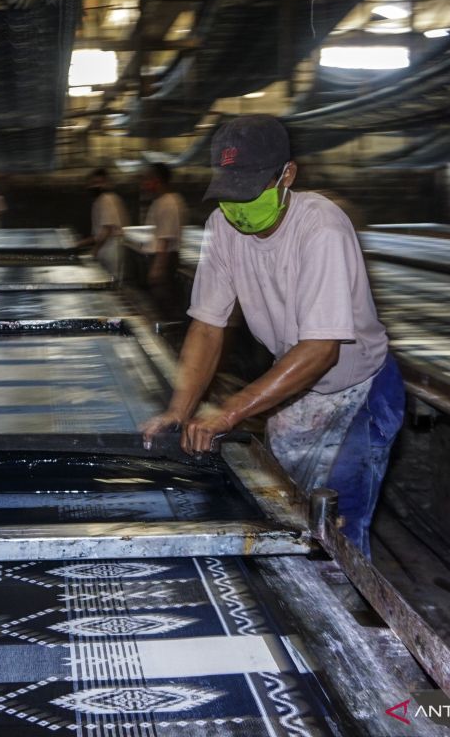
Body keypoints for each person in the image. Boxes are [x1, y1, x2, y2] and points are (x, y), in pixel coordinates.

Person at [141, 115, 403, 557]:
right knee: (282, 509)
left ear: (288, 175)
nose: (239, 208)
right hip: (297, 388)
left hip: (358, 392)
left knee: (336, 527)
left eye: (251, 191)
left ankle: (343, 614)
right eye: (229, 193)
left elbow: (321, 350)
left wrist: (228, 413)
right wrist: (178, 411)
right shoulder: (222, 228)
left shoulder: (320, 228)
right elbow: (207, 326)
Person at [140, 162, 185, 317]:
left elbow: (165, 238)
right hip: (159, 257)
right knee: (160, 301)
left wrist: (157, 268)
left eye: (148, 179)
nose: (144, 183)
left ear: (158, 180)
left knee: (166, 302)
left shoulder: (168, 202)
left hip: (164, 258)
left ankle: (171, 333)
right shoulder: (160, 201)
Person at [77, 168, 129, 277]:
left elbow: (107, 230)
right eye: (92, 183)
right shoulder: (101, 200)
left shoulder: (107, 199)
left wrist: (95, 250)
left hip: (110, 246)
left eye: (98, 183)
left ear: (106, 183)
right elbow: (99, 233)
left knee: (109, 279)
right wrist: (82, 243)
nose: (95, 187)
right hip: (107, 245)